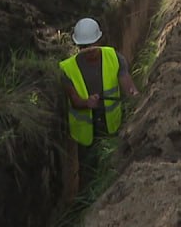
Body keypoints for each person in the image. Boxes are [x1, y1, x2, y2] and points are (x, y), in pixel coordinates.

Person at [59, 17, 140, 148]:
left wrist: (134, 95)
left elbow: (127, 84)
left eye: (92, 45)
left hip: (112, 128)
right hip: (86, 137)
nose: (89, 50)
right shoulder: (67, 69)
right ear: (78, 45)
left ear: (99, 40)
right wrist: (86, 102)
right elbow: (74, 100)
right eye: (84, 46)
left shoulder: (114, 57)